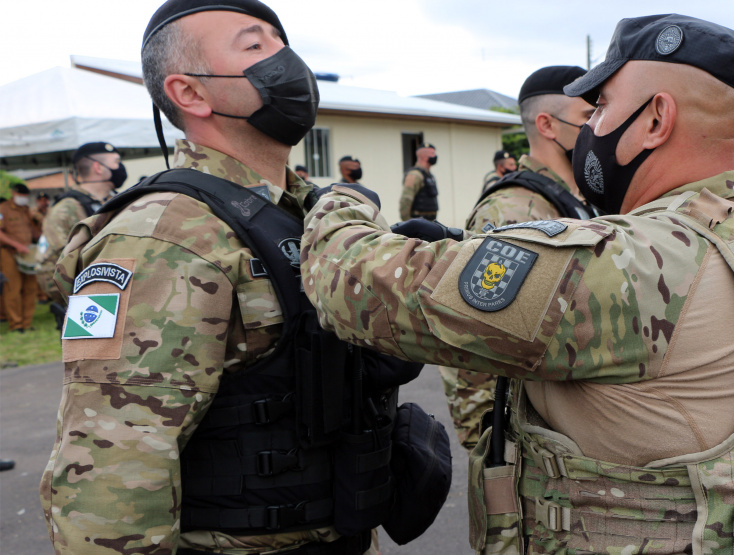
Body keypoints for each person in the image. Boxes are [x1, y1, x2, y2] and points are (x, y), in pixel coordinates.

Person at [301, 14, 734, 554]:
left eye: (601, 108)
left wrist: (338, 204)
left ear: (655, 119)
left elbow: (354, 287)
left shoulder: (640, 262)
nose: (591, 129)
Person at [40, 1, 425, 554]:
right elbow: (110, 467)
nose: (286, 60)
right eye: (255, 46)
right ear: (189, 93)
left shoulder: (306, 209)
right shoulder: (164, 233)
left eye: (281, 41)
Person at [443, 66, 601, 451]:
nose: (599, 126)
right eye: (587, 117)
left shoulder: (581, 201)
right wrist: (490, 439)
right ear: (547, 124)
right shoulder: (513, 212)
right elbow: (471, 334)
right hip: (526, 441)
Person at [35, 142, 125, 302]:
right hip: (87, 302)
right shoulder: (66, 209)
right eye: (116, 162)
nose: (121, 168)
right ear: (98, 167)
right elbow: (49, 268)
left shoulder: (120, 201)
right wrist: (75, 300)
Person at [0, 183, 39, 333]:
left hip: (28, 253)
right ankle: (16, 325)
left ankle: (27, 323)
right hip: (8, 252)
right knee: (13, 289)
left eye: (25, 196)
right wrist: (16, 245)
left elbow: (34, 231)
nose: (23, 199)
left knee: (30, 288)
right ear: (13, 193)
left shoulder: (26, 210)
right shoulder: (3, 209)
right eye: (21, 196)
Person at [399, 142, 438, 221]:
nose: (435, 156)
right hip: (418, 222)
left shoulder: (428, 175)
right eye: (433, 153)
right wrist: (408, 223)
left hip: (430, 221)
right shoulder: (415, 175)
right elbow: (406, 200)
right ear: (424, 156)